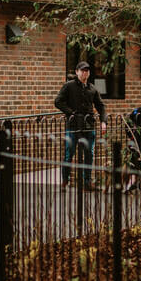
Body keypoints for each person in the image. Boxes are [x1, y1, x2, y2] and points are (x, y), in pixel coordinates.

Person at [54, 60, 107, 190]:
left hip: (88, 125)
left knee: (89, 153)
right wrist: (71, 113)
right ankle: (65, 181)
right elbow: (58, 101)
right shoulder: (69, 86)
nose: (85, 72)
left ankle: (87, 182)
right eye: (82, 70)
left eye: (87, 70)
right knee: (69, 154)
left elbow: (101, 106)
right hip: (73, 126)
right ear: (77, 72)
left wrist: (103, 121)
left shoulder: (92, 88)